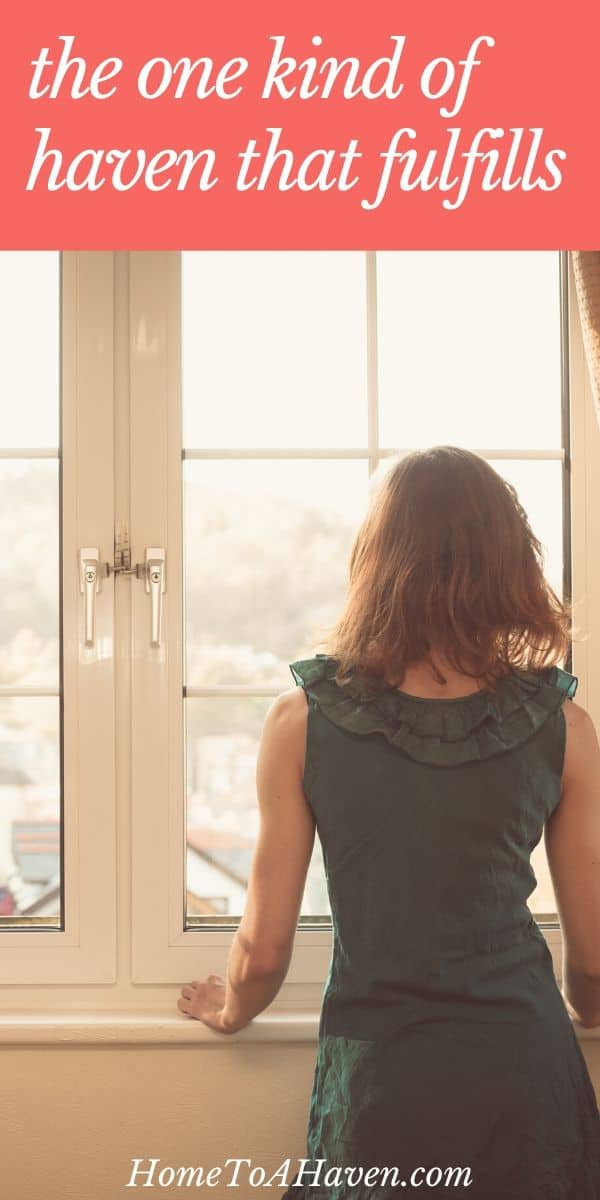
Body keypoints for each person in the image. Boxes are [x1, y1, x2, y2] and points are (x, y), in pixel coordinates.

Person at [177, 446, 600, 1198]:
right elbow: (596, 955)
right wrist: (581, 1010)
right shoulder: (564, 725)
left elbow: (265, 948)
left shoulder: (300, 721)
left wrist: (230, 1007)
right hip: (525, 1079)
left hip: (382, 1091)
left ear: (375, 559)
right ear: (507, 559)